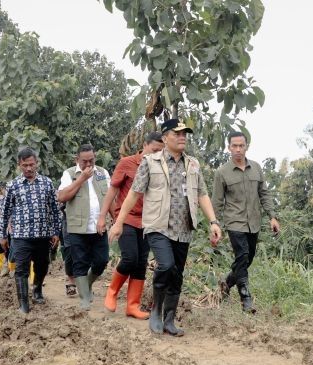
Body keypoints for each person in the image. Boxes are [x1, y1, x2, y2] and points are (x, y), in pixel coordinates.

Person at [109, 119, 222, 336]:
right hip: (158, 226)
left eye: (184, 134)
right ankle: (156, 311)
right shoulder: (151, 162)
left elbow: (202, 194)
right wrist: (120, 222)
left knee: (177, 274)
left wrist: (213, 222)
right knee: (166, 265)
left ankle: (169, 319)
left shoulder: (193, 165)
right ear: (164, 137)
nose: (182, 137)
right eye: (177, 133)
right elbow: (134, 193)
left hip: (184, 228)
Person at [211, 131, 281, 313]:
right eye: (234, 146)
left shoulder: (256, 168)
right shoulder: (222, 172)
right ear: (229, 147)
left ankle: (226, 285)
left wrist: (272, 216)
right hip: (234, 222)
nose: (238, 149)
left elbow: (264, 194)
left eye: (241, 146)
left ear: (246, 147)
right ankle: (246, 299)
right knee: (241, 256)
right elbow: (217, 201)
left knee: (246, 260)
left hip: (254, 222)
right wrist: (214, 223)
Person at [97, 132, 164, 319]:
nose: (156, 154)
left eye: (160, 151)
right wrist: (103, 217)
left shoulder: (161, 167)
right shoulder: (127, 163)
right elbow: (112, 191)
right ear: (144, 145)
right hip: (126, 218)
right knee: (130, 258)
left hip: (148, 221)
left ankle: (132, 306)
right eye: (154, 150)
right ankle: (112, 291)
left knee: (141, 263)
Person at [0, 147, 62, 313]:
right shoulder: (13, 185)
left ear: (37, 163)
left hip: (43, 234)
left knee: (42, 265)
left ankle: (37, 289)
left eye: (31, 164)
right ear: (19, 165)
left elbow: (55, 209)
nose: (28, 168)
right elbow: (5, 212)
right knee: (21, 269)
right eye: (25, 165)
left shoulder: (47, 183)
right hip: (21, 235)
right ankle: (23, 304)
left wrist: (56, 231)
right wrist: (3, 235)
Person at [57, 144, 111, 310]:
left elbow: (110, 197)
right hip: (77, 227)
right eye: (84, 162)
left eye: (91, 161)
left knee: (101, 261)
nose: (88, 165)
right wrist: (81, 179)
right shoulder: (69, 174)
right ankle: (85, 299)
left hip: (99, 226)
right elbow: (62, 197)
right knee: (79, 263)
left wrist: (117, 220)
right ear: (77, 160)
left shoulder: (102, 173)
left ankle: (85, 286)